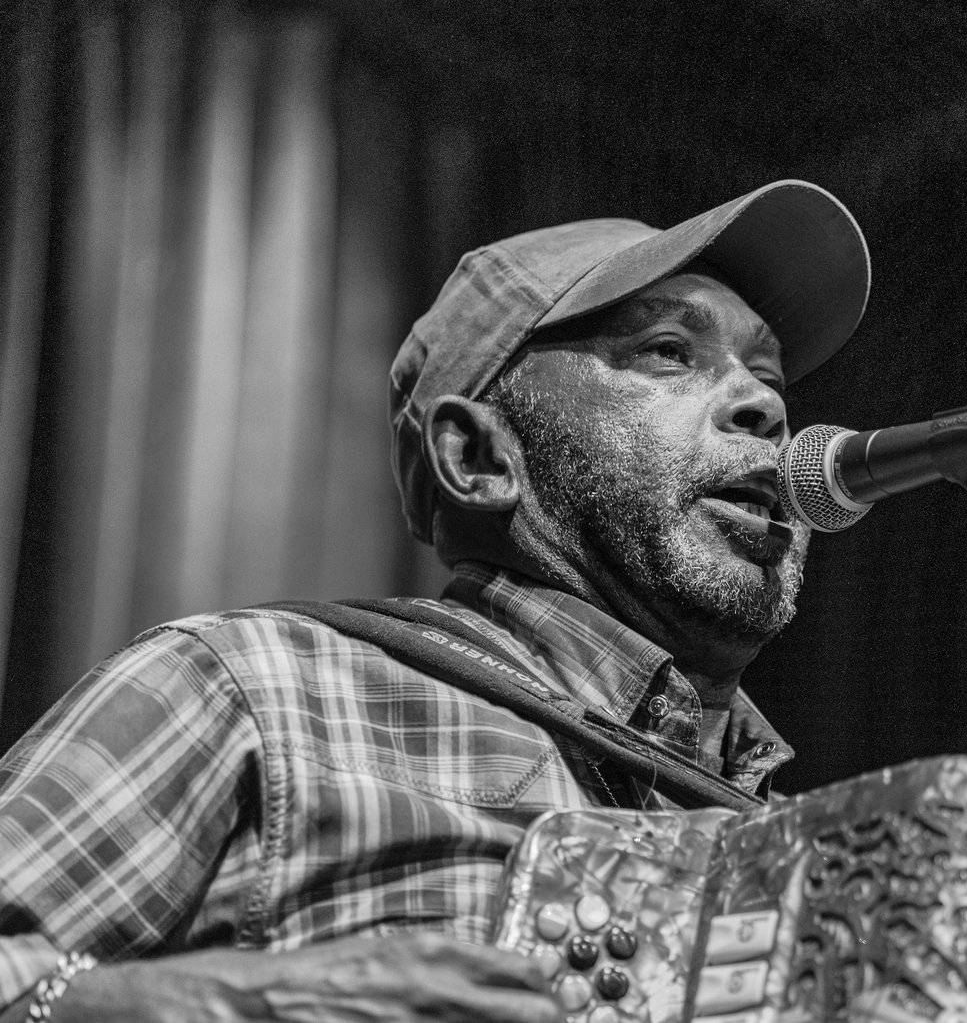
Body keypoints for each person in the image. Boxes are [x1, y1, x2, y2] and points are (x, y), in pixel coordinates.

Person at [0, 179, 870, 1022]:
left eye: (768, 376)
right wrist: (243, 1003)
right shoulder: (255, 690)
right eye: (668, 352)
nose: (762, 405)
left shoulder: (812, 854)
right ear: (478, 459)